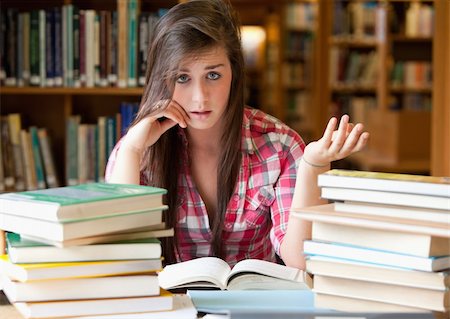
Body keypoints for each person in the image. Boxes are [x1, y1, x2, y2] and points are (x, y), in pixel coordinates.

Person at [105, 0, 369, 269]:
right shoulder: (138, 149)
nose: (200, 98)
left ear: (234, 73)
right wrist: (131, 151)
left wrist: (313, 165)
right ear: (163, 79)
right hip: (169, 308)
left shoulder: (281, 145)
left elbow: (299, 262)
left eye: (213, 75)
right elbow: (121, 262)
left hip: (254, 305)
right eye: (182, 78)